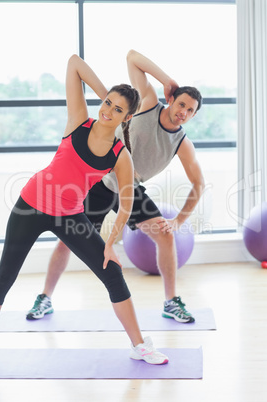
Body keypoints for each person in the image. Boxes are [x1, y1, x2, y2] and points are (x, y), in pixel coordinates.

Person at [0, 54, 169, 365]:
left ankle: (139, 345)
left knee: (113, 274)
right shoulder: (79, 120)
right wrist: (108, 93)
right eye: (107, 104)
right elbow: (74, 63)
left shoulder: (121, 156)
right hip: (30, 206)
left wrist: (110, 244)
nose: (108, 111)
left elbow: (126, 205)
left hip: (68, 215)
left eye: (118, 110)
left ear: (126, 118)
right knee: (4, 278)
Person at [27, 49, 205, 324]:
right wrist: (167, 79)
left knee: (166, 236)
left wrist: (180, 220)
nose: (183, 112)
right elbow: (133, 57)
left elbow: (199, 183)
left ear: (193, 116)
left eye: (190, 110)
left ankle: (171, 302)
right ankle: (45, 298)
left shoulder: (182, 143)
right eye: (181, 104)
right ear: (172, 100)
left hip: (129, 188)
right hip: (98, 182)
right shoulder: (147, 102)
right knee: (66, 242)